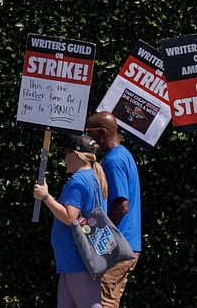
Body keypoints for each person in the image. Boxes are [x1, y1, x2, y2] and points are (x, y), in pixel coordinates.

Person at [33, 134, 108, 308]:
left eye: (66, 154)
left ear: (75, 155)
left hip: (77, 258)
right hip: (73, 259)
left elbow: (70, 217)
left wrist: (46, 197)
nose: (64, 159)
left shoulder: (78, 181)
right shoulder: (93, 177)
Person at [84, 111, 142, 308]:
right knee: (111, 300)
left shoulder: (113, 161)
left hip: (116, 246)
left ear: (101, 132)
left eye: (89, 133)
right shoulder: (123, 154)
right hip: (128, 244)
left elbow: (121, 205)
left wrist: (100, 235)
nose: (87, 138)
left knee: (103, 301)